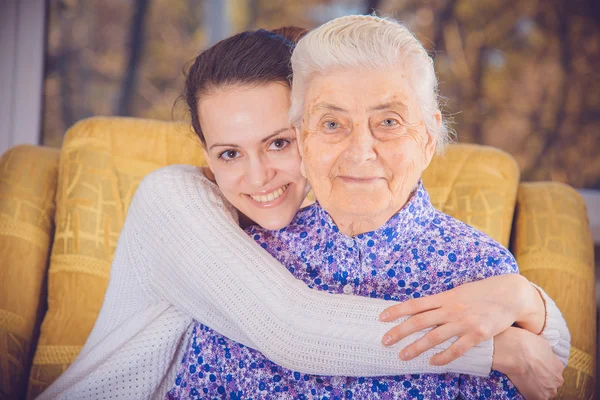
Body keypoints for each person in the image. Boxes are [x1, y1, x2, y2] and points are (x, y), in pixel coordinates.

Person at [39, 22, 568, 400]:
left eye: (277, 143)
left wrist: (526, 301)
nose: (258, 177)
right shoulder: (179, 206)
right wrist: (497, 349)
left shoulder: (469, 262)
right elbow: (294, 329)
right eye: (229, 153)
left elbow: (555, 362)